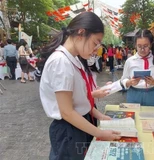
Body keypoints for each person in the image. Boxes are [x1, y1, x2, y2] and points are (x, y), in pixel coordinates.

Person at [38, 12, 121, 160]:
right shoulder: (61, 62)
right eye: (95, 43)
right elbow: (67, 112)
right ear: (81, 32)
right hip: (69, 128)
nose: (96, 49)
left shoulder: (73, 60)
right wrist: (100, 133)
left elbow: (81, 100)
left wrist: (100, 116)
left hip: (79, 123)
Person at [121, 29, 154, 106]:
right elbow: (124, 79)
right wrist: (130, 82)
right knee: (133, 117)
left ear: (151, 44)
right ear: (135, 45)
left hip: (151, 94)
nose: (142, 49)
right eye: (139, 46)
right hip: (133, 94)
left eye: (145, 46)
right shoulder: (130, 61)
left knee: (151, 117)